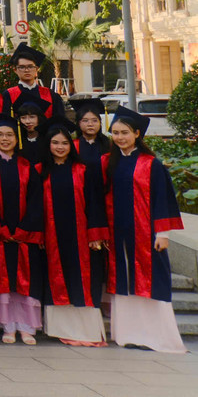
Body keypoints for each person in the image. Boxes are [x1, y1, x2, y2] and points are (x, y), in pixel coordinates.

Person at [105, 106, 187, 353]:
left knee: (151, 283)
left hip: (147, 235)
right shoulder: (109, 163)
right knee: (124, 284)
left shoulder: (152, 164)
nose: (119, 137)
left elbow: (164, 200)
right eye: (115, 133)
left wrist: (163, 234)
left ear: (137, 134)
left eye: (125, 133)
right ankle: (129, 334)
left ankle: (157, 337)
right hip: (117, 235)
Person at [26, 119, 108, 346]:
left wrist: (95, 236)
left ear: (71, 145)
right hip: (51, 237)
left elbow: (94, 204)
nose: (60, 147)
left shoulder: (83, 170)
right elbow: (34, 207)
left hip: (80, 237)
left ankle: (86, 331)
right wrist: (39, 235)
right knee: (56, 281)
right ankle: (61, 329)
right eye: (55, 143)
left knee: (82, 280)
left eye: (64, 143)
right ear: (48, 145)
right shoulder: (39, 171)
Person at [0, 112, 41, 344]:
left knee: (25, 279)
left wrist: (24, 229)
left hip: (24, 235)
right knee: (4, 280)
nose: (5, 139)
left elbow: (36, 201)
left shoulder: (27, 166)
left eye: (9, 135)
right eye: (0, 135)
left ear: (17, 139)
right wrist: (1, 229)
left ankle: (27, 327)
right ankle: (7, 326)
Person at [7, 44, 55, 119]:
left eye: (30, 66)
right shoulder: (8, 95)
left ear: (37, 69)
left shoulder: (50, 94)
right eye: (22, 67)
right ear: (15, 70)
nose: (27, 70)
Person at [72, 98, 110, 166]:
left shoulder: (107, 144)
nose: (90, 124)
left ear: (100, 123)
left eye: (94, 120)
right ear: (79, 123)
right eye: (85, 120)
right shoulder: (73, 146)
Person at [15, 100, 46, 164]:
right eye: (23, 118)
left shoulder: (48, 139)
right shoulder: (16, 141)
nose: (27, 121)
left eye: (32, 117)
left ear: (39, 118)